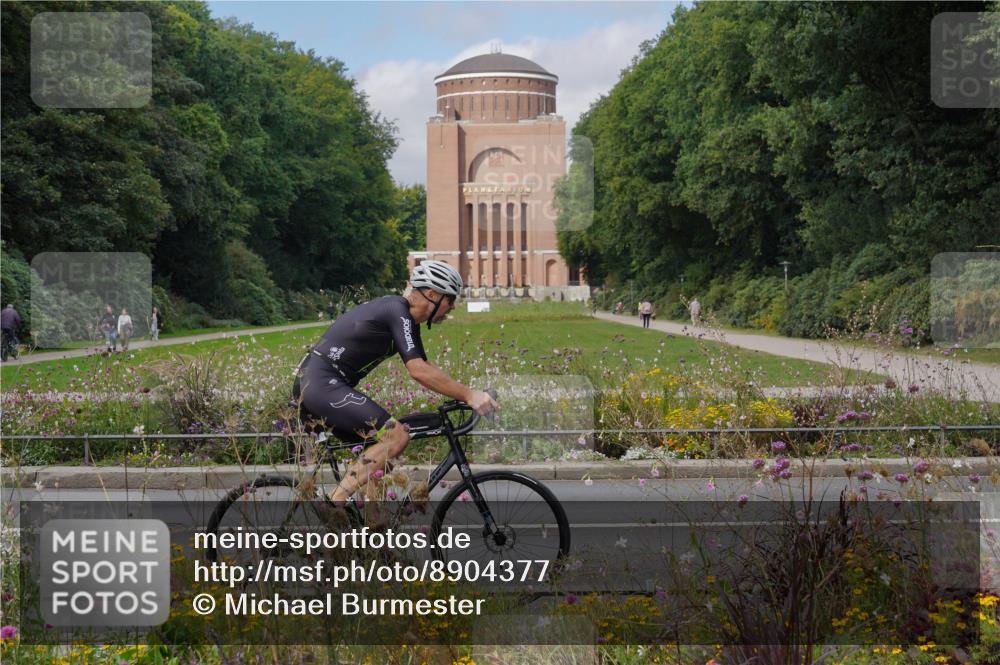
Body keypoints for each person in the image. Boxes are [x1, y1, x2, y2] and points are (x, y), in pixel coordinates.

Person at [293, 260, 497, 505]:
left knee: (377, 463)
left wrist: (465, 392)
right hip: (321, 384)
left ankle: (372, 536)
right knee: (397, 437)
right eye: (450, 300)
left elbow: (424, 364)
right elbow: (417, 370)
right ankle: (334, 503)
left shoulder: (403, 317)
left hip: (321, 383)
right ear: (432, 294)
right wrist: (469, 395)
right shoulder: (396, 310)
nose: (452, 307)